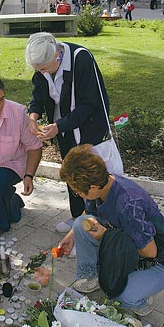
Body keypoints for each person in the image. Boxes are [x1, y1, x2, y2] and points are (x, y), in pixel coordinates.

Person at [58, 145, 164, 316]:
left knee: (121, 296)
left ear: (92, 187)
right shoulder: (103, 185)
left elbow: (150, 251)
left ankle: (141, 298)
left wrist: (106, 236)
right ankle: (93, 277)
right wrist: (72, 236)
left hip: (162, 256)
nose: (77, 194)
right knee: (80, 224)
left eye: (77, 192)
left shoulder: (128, 204)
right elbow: (89, 213)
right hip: (132, 246)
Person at [25, 32, 114, 233]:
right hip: (63, 129)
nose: (42, 73)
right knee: (71, 173)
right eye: (38, 70)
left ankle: (94, 228)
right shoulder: (42, 66)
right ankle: (77, 218)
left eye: (44, 69)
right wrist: (33, 116)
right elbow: (38, 94)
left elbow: (90, 104)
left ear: (57, 55)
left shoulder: (81, 59)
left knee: (90, 178)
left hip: (89, 129)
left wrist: (60, 125)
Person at [0, 75, 42, 232]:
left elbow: (35, 146)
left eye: (2, 99)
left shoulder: (17, 113)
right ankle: (12, 204)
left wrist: (29, 176)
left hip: (10, 165)